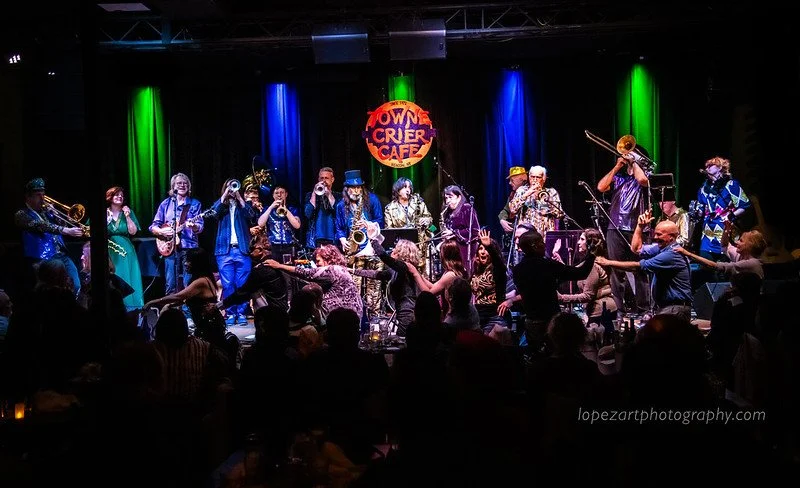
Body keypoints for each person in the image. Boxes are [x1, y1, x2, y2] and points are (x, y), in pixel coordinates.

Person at [498, 230, 595, 354]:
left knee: (536, 357)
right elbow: (581, 273)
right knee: (556, 355)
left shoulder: (518, 270)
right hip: (551, 321)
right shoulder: (548, 265)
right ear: (534, 246)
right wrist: (592, 255)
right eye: (541, 242)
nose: (544, 245)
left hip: (531, 323)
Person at [144, 248, 238, 369]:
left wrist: (153, 302)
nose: (185, 263)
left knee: (211, 362)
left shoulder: (201, 282)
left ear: (197, 263)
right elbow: (184, 299)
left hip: (209, 327)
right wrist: (169, 305)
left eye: (189, 261)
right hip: (206, 325)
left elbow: (179, 295)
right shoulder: (201, 279)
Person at [596, 210, 693, 321]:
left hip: (676, 309)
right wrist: (639, 227)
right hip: (668, 308)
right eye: (655, 233)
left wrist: (607, 262)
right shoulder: (661, 248)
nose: (655, 237)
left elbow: (637, 266)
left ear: (671, 237)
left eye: (659, 234)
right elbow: (636, 248)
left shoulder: (671, 254)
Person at [596, 150, 651, 314]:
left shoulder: (646, 173)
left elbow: (642, 180)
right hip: (615, 226)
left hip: (637, 227)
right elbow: (601, 187)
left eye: (632, 154)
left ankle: (643, 308)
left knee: (640, 268)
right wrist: (617, 165)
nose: (627, 156)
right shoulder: (619, 178)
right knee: (615, 269)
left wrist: (634, 162)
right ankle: (620, 309)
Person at [14, 178, 84, 295]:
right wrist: (65, 230)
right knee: (52, 289)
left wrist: (56, 214)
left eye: (43, 194)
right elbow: (41, 226)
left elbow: (63, 224)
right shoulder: (22, 214)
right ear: (28, 197)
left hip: (61, 255)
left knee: (76, 284)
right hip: (41, 258)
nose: (42, 198)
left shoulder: (46, 212)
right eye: (38, 195)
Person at [264, 244, 363, 320]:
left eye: (318, 261)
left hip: (343, 318)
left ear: (328, 259)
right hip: (348, 316)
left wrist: (279, 266)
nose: (316, 264)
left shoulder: (334, 269)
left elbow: (307, 273)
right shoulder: (340, 270)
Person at [335, 169, 385, 315]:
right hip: (353, 250)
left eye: (358, 187)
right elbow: (338, 227)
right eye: (353, 188)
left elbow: (380, 221)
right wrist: (343, 239)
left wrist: (368, 225)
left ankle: (374, 317)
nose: (356, 191)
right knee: (353, 287)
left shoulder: (372, 199)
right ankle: (355, 317)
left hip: (371, 248)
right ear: (347, 189)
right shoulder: (340, 205)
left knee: (374, 288)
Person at [208, 179, 257, 326]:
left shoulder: (244, 206)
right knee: (228, 284)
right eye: (229, 188)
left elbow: (251, 216)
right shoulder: (221, 207)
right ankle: (230, 313)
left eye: (234, 187)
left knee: (242, 284)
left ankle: (241, 313)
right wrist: (224, 196)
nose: (232, 190)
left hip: (242, 250)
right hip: (224, 251)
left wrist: (240, 198)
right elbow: (212, 214)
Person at [349, 238, 421, 336]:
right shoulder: (397, 270)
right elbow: (377, 274)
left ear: (401, 253)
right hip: (402, 311)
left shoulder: (404, 268)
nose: (392, 250)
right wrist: (353, 271)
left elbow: (383, 256)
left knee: (403, 340)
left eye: (395, 249)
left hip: (408, 312)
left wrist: (373, 239)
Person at [557, 229, 617, 343]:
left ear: (590, 244)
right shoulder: (591, 262)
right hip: (602, 309)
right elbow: (575, 271)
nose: (578, 243)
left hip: (600, 311)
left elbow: (588, 295)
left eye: (582, 239)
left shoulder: (592, 266)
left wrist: (562, 298)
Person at [149, 173, 205, 295]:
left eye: (185, 183)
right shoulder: (166, 204)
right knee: (170, 283)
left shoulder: (195, 204)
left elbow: (200, 227)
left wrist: (193, 226)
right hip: (170, 248)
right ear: (173, 186)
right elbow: (153, 226)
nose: (182, 185)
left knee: (188, 283)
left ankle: (188, 313)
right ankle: (170, 311)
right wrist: (161, 231)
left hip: (189, 247)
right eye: (179, 183)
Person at [697, 156, 751, 261]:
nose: (707, 168)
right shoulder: (703, 188)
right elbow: (701, 209)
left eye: (711, 165)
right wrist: (696, 212)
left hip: (726, 233)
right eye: (706, 166)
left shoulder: (731, 185)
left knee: (726, 268)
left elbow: (744, 205)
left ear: (720, 168)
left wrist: (731, 216)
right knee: (706, 267)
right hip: (707, 237)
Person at [219, 234, 289, 314]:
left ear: (259, 250)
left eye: (251, 249)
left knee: (252, 292)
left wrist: (218, 306)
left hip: (271, 314)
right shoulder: (276, 264)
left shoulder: (261, 270)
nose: (250, 253)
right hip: (283, 311)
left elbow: (242, 293)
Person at [675, 224, 766, 279]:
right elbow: (725, 246)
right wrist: (726, 230)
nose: (737, 242)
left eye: (741, 241)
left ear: (749, 246)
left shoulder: (752, 263)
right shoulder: (739, 256)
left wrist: (688, 253)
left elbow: (714, 266)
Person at [105, 186, 144, 311]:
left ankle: (133, 307)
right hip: (110, 249)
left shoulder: (128, 212)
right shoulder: (104, 213)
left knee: (129, 275)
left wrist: (127, 216)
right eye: (117, 195)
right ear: (110, 197)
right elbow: (90, 231)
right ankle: (115, 305)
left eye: (122, 195)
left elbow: (133, 232)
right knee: (115, 275)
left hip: (127, 250)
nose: (120, 197)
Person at [384, 177, 433, 274]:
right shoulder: (389, 208)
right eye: (404, 187)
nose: (408, 190)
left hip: (420, 244)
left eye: (410, 187)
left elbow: (431, 222)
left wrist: (426, 220)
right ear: (397, 190)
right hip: (401, 247)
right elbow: (389, 230)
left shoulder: (419, 203)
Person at [508, 165, 564, 238]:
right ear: (529, 177)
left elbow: (559, 214)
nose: (534, 180)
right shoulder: (522, 191)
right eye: (532, 177)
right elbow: (513, 209)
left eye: (538, 177)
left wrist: (547, 202)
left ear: (543, 179)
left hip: (545, 235)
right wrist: (526, 194)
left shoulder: (551, 192)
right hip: (525, 235)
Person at [470, 229, 509, 332]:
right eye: (481, 248)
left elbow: (498, 262)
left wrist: (489, 246)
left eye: (485, 249)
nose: (483, 252)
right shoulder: (476, 271)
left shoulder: (497, 269)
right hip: (477, 316)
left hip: (494, 316)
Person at [440, 185, 480, 276]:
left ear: (459, 197)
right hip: (454, 250)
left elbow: (474, 231)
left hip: (466, 251)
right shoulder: (448, 212)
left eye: (450, 197)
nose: (448, 201)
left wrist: (454, 233)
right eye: (446, 198)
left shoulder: (467, 208)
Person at [304, 167, 340, 250]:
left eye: (326, 178)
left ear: (332, 180)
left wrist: (329, 195)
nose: (323, 181)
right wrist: (314, 193)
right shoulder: (310, 195)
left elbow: (339, 213)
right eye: (321, 178)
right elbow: (307, 214)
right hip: (315, 240)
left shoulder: (339, 196)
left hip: (334, 239)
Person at [498, 166, 529, 235]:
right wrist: (502, 219)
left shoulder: (530, 193)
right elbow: (506, 210)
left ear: (522, 180)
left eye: (512, 180)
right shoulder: (513, 195)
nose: (509, 183)